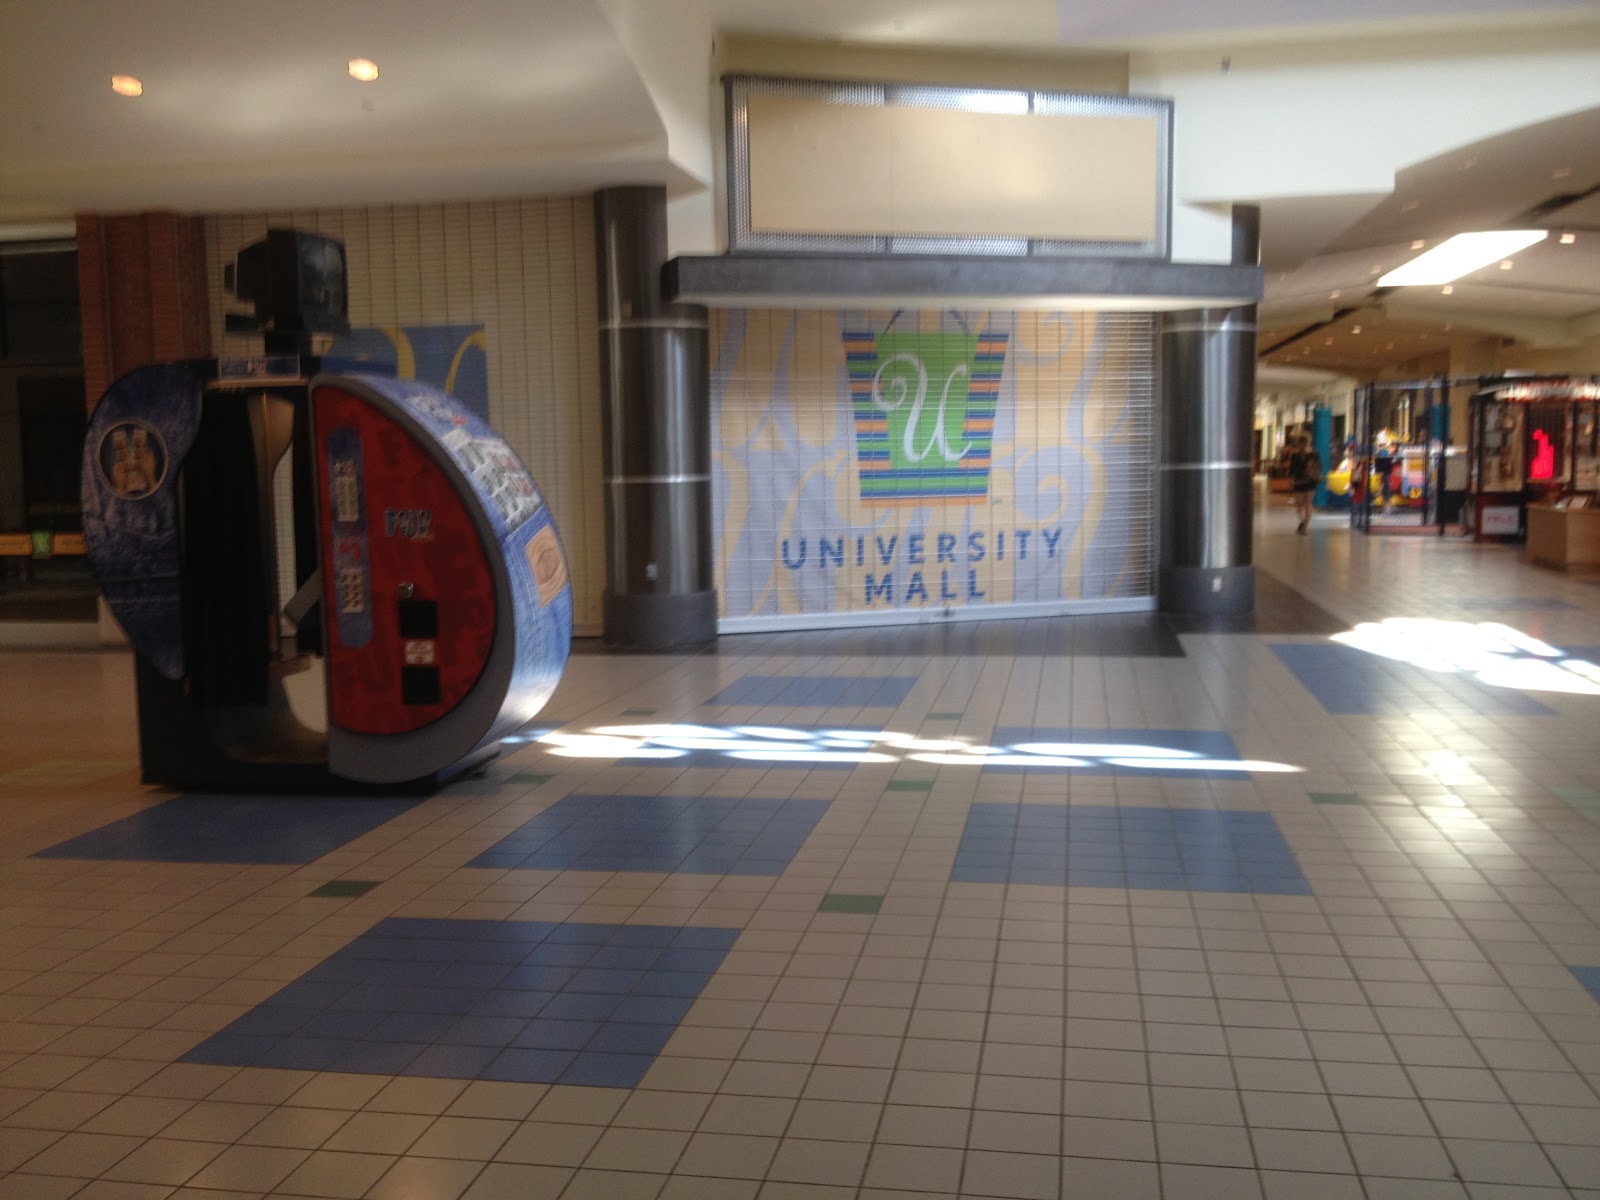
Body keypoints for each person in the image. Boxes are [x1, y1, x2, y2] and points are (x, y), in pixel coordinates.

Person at [1288, 434, 1322, 534]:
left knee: (1299, 505)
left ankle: (1302, 522)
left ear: (1299, 443)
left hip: (1299, 482)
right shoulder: (1314, 454)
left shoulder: (1295, 456)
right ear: (1309, 442)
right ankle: (1305, 527)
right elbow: (1318, 467)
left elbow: (1292, 470)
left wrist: (1291, 480)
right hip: (1311, 481)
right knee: (1308, 505)